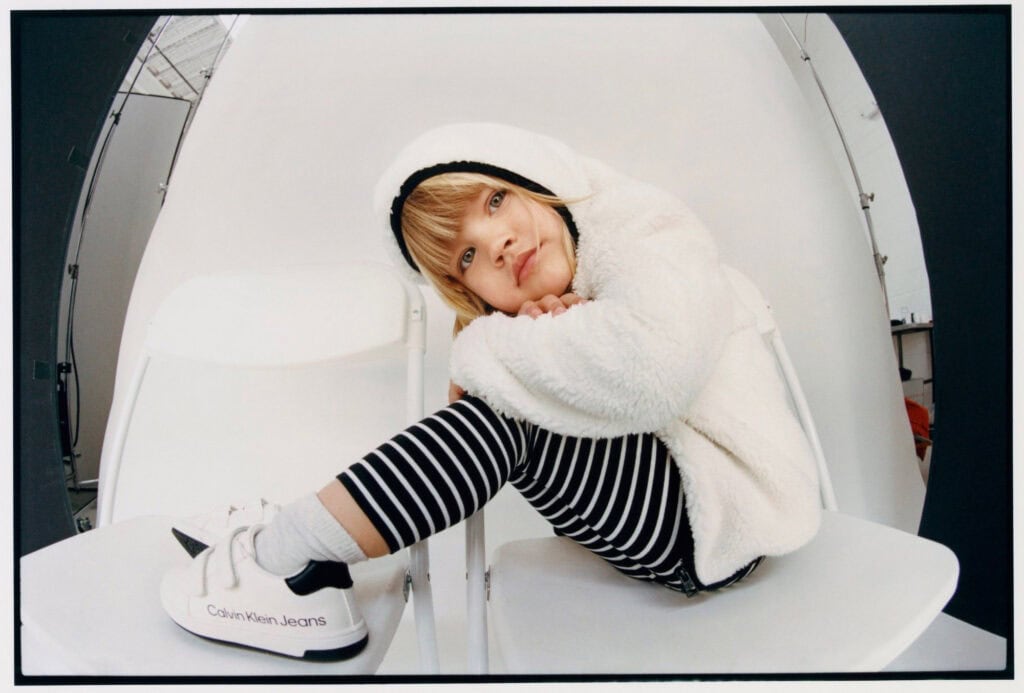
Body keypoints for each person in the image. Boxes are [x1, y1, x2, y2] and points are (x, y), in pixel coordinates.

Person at [160, 122, 823, 662]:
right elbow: (467, 434)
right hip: (651, 512)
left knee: (508, 409)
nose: (498, 244)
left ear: (535, 178)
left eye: (496, 200)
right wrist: (542, 339)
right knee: (507, 402)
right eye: (468, 258)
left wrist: (487, 347)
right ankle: (291, 539)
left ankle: (280, 549)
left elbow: (656, 369)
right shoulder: (532, 314)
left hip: (723, 521)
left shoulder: (645, 228)